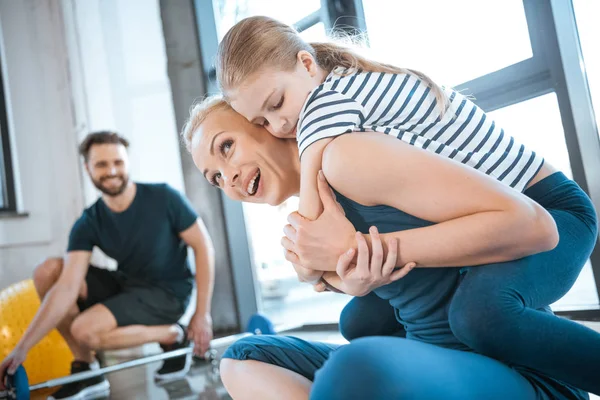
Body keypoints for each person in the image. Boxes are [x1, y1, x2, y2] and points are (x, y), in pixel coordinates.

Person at [212, 15, 600, 395]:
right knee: (360, 319)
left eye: (277, 105)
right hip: (508, 211)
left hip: (553, 206)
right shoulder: (331, 103)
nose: (278, 126)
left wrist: (321, 253)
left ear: (307, 64)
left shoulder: (327, 107)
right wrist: (336, 266)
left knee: (481, 313)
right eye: (261, 121)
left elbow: (311, 198)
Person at [0, 131, 216, 400]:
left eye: (118, 162)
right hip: (128, 285)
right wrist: (21, 349)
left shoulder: (164, 197)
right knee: (48, 271)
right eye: (101, 164)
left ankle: (174, 333)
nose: (111, 171)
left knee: (84, 329)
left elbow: (203, 246)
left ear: (127, 163)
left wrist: (202, 313)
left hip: (168, 294)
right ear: (87, 168)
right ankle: (87, 369)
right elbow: (67, 286)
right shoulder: (89, 221)